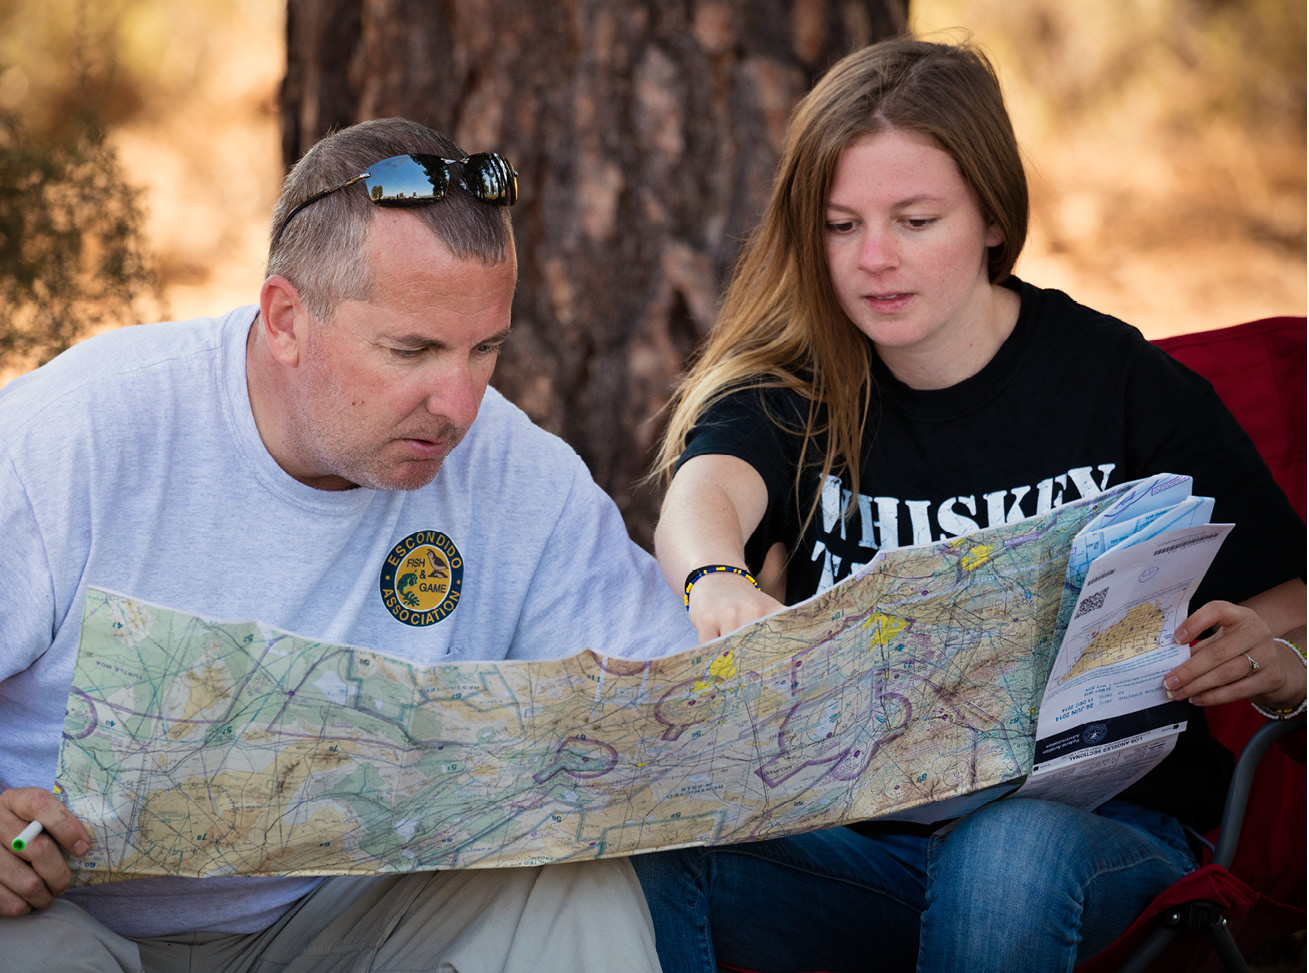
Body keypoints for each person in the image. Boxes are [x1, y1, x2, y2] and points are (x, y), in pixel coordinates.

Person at [630, 37, 1307, 973]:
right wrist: (715, 580)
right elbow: (706, 489)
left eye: (914, 219)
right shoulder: (805, 382)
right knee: (659, 844)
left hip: (1095, 842)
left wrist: (1270, 654)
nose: (873, 259)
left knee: (1005, 854)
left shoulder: (1111, 380)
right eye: (839, 225)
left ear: (992, 215)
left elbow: (1294, 593)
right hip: (864, 845)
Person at [0, 117, 696, 972]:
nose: (459, 404)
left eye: (485, 350)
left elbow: (674, 704)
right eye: (413, 350)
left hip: (336, 920)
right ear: (286, 317)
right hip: (64, 914)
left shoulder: (513, 472)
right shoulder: (76, 434)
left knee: (567, 886)